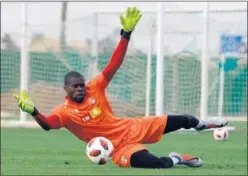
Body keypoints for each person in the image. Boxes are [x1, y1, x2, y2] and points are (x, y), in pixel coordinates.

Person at [14, 7, 228, 169]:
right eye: (75, 87)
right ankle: (179, 158)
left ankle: (203, 124)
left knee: (183, 120)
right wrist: (33, 111)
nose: (81, 89)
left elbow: (114, 64)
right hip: (119, 148)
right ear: (66, 89)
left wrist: (125, 34)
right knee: (157, 165)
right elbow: (48, 125)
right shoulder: (64, 112)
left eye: (82, 85)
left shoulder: (95, 87)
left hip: (132, 127)